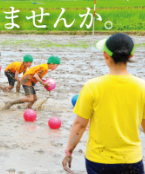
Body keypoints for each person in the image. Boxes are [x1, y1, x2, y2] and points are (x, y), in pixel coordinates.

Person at [62, 33, 145, 174]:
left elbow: (80, 124)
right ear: (131, 56)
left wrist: (69, 152)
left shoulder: (92, 86)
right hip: (131, 159)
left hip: (99, 161)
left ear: (105, 55)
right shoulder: (142, 87)